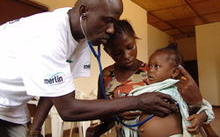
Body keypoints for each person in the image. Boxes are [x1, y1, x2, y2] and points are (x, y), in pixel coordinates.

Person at [0, 0, 179, 137]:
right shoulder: (49, 37)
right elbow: (67, 109)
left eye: (114, 23)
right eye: (107, 21)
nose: (110, 30)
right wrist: (138, 101)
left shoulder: (81, 34)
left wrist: (35, 129)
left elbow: (54, 90)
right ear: (84, 11)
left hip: (13, 108)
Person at [86, 20, 214, 137]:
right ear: (108, 52)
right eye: (117, 53)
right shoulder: (106, 75)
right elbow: (100, 110)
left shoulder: (155, 73)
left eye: (130, 47)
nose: (126, 55)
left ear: (135, 41)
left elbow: (191, 103)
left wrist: (204, 120)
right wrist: (115, 114)